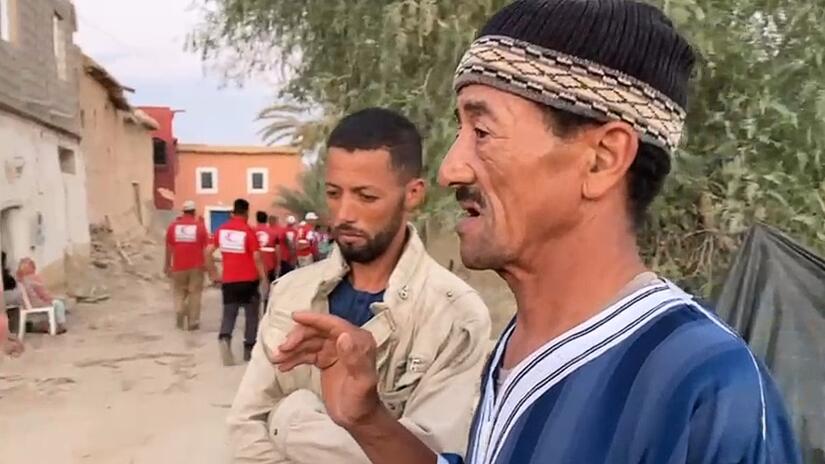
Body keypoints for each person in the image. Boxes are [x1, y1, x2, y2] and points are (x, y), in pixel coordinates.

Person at [270, 1, 802, 463]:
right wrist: (368, 420)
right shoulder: (518, 347)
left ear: (601, 159)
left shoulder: (705, 387)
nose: (450, 169)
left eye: (482, 131)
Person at [228, 108, 492, 464]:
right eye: (335, 194)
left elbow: (427, 455)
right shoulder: (292, 292)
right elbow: (247, 423)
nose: (344, 214)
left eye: (366, 197)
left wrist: (290, 422)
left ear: (412, 194)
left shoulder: (456, 314)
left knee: (291, 411)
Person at [206, 199, 268, 365]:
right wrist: (264, 279)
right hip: (249, 280)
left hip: (229, 280)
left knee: (229, 314)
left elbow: (208, 252)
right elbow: (256, 258)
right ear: (246, 212)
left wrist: (213, 273)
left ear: (234, 211)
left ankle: (225, 337)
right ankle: (249, 348)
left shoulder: (222, 230)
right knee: (251, 316)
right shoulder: (248, 231)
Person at [165, 200, 209, 330]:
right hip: (196, 266)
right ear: (194, 212)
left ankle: (180, 311)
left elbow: (168, 247)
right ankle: (193, 321)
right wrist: (206, 265)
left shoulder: (173, 226)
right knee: (194, 293)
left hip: (178, 266)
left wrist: (167, 265)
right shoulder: (200, 227)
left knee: (179, 292)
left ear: (183, 211)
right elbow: (205, 248)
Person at [16, 258, 67, 334]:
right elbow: (43, 293)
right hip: (37, 303)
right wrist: (51, 299)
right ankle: (60, 325)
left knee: (55, 302)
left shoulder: (21, 280)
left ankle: (46, 325)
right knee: (59, 303)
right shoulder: (34, 278)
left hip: (27, 304)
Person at [254, 211, 278, 285]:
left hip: (255, 265)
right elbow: (277, 250)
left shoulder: (251, 231)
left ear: (257, 219)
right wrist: (278, 264)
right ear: (266, 219)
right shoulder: (273, 232)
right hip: (270, 264)